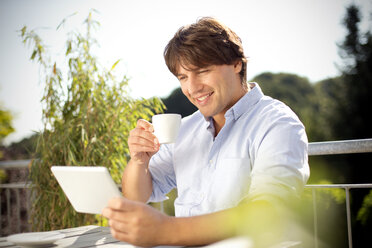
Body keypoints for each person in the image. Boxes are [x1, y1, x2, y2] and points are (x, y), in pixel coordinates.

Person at [102, 17, 310, 247]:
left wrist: (165, 230)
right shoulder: (186, 128)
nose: (192, 88)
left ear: (236, 64)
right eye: (183, 77)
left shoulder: (277, 123)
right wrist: (139, 161)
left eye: (201, 71)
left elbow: (269, 212)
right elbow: (137, 197)